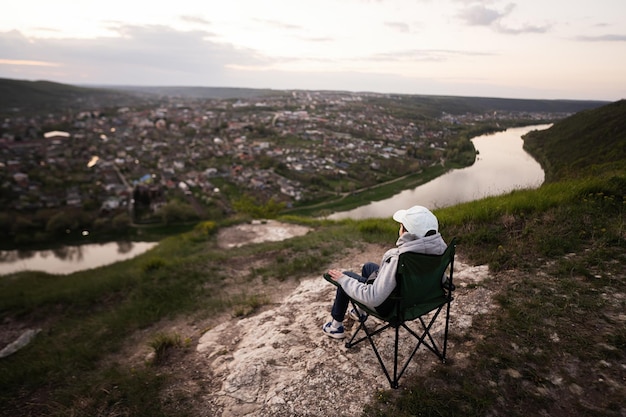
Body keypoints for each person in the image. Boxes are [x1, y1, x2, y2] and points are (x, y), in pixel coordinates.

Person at [322, 205, 447, 339]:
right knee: (368, 267)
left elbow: (374, 298)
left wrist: (343, 279)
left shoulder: (398, 258)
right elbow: (442, 280)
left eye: (401, 226)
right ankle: (360, 312)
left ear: (405, 232)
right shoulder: (440, 252)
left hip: (391, 307)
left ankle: (335, 327)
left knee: (345, 276)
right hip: (417, 298)